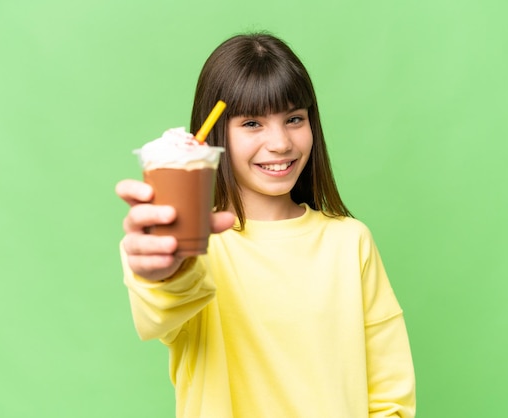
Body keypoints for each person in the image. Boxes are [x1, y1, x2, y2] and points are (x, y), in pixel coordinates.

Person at [116, 32, 416, 418]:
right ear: (216, 135)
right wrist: (162, 273)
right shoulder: (196, 248)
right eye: (253, 123)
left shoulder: (350, 242)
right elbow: (160, 312)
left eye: (294, 119)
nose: (280, 143)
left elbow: (390, 392)